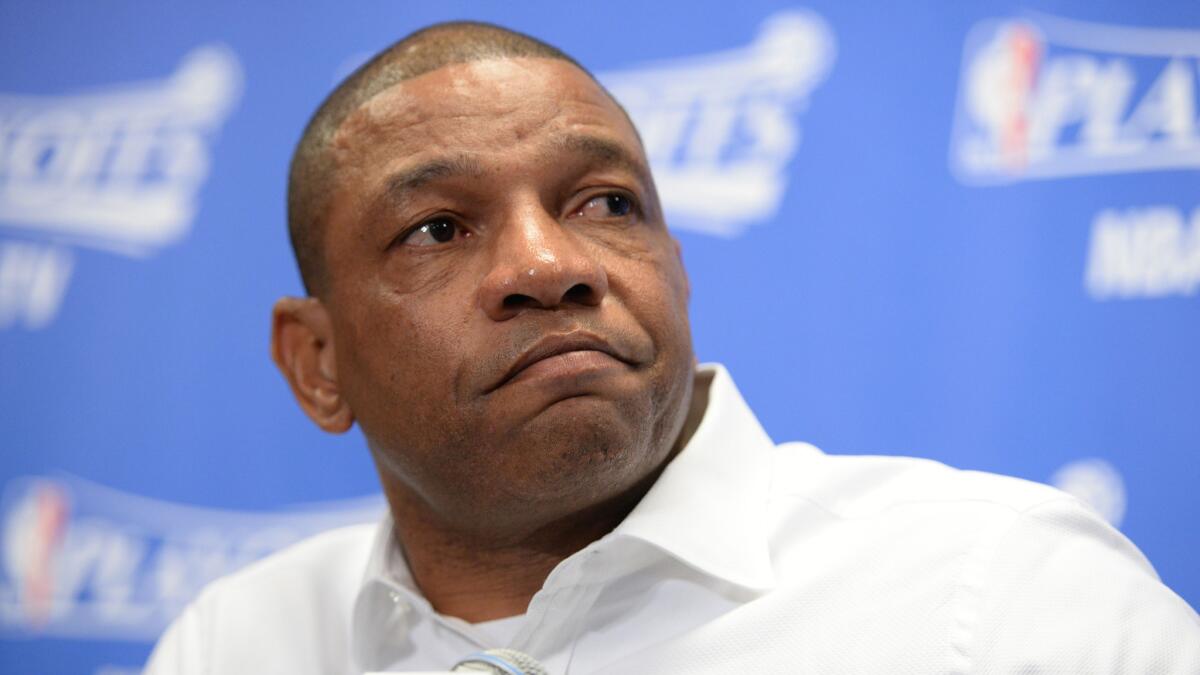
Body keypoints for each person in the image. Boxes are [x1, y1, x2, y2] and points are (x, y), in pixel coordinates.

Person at [146, 20, 1200, 674]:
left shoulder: (1001, 593)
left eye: (604, 202)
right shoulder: (236, 643)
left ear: (675, 265)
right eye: (439, 228)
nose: (549, 263)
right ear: (317, 364)